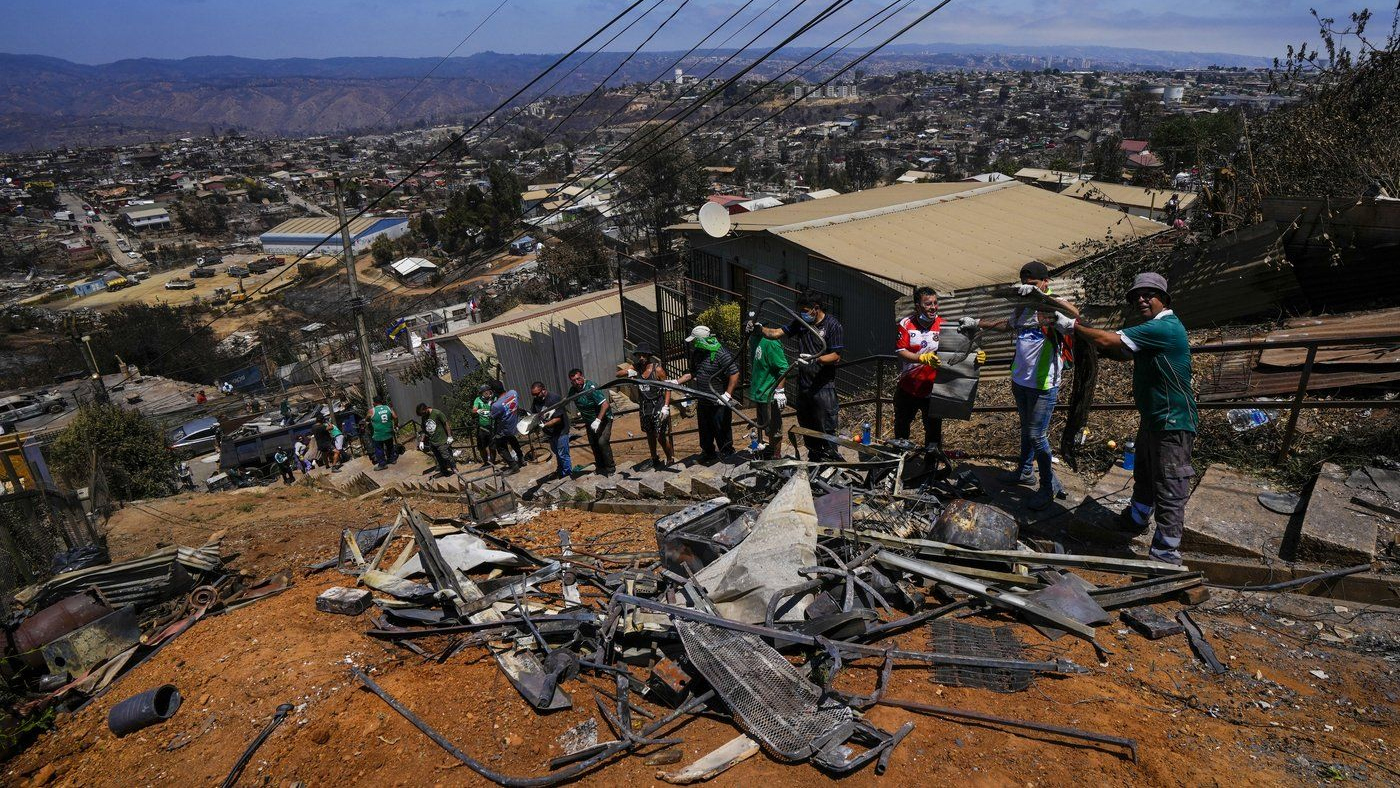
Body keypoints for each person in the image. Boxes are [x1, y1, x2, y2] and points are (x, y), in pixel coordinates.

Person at [1055, 272, 1197, 565]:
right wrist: (1099, 346)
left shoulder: (1166, 328)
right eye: (1136, 296)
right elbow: (1123, 351)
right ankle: (1135, 519)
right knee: (1144, 472)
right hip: (1154, 418)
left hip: (1173, 421)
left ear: (1164, 299)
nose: (1142, 300)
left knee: (1170, 484)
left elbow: (1109, 339)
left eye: (1148, 294)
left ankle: (1165, 554)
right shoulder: (1151, 329)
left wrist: (1074, 327)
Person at [963, 262, 1077, 509]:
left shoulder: (1051, 306)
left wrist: (1042, 298)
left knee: (1037, 435)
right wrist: (977, 322)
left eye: (1033, 284)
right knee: (1026, 429)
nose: (1027, 287)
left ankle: (1046, 487)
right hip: (1021, 380)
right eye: (1025, 283)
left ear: (1045, 282)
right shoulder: (1023, 307)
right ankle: (1025, 471)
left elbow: (1076, 314)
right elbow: (1007, 324)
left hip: (1043, 384)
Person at [754, 291, 845, 462]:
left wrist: (815, 359)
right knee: (807, 425)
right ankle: (814, 460)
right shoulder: (802, 323)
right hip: (804, 386)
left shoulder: (833, 325)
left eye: (805, 310)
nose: (802, 313)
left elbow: (836, 356)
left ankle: (831, 461)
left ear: (815, 309)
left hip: (823, 387)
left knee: (826, 427)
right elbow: (777, 333)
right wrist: (759, 329)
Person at [893, 286, 947, 453]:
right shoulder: (906, 324)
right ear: (917, 305)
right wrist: (921, 358)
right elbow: (901, 352)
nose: (933, 307)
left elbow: (958, 348)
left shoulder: (943, 325)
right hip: (908, 387)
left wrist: (975, 353)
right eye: (928, 304)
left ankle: (929, 471)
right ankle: (898, 466)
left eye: (935, 303)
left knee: (933, 434)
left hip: (933, 390)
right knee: (901, 428)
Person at [674, 326, 739, 463]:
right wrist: (676, 381)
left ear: (701, 340)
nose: (692, 344)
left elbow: (734, 373)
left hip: (719, 401)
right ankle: (708, 453)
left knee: (722, 429)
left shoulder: (721, 354)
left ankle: (727, 453)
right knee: (705, 430)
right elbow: (693, 373)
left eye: (694, 341)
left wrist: (727, 395)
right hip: (703, 400)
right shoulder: (697, 353)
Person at [627, 348, 674, 468]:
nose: (641, 358)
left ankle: (670, 458)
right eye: (639, 356)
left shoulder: (657, 369)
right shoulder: (637, 368)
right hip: (644, 407)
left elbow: (668, 387)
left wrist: (666, 406)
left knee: (660, 436)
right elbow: (618, 374)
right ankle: (654, 458)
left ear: (648, 355)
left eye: (644, 355)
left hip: (658, 405)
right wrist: (630, 372)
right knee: (649, 434)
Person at [749, 330, 790, 459]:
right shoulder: (754, 339)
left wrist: (779, 390)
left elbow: (783, 367)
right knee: (766, 427)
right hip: (760, 393)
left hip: (769, 394)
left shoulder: (771, 343)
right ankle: (771, 450)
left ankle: (776, 456)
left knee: (774, 429)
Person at [567, 368, 614, 475]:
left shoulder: (591, 388)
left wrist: (598, 420)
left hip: (603, 419)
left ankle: (610, 468)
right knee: (593, 443)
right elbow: (567, 400)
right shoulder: (573, 390)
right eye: (574, 381)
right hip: (589, 421)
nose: (577, 382)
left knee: (602, 442)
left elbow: (605, 404)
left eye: (578, 379)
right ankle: (600, 467)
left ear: (582, 377)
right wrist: (554, 410)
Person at [529, 381, 570, 479]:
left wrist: (544, 425)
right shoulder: (537, 400)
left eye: (537, 394)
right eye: (533, 394)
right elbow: (534, 414)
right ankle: (561, 470)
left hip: (561, 430)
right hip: (550, 432)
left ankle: (567, 475)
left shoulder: (554, 398)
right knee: (556, 452)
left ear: (543, 390)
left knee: (563, 454)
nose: (535, 396)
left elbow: (558, 419)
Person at [488, 381, 525, 472]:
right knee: (512, 440)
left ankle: (513, 467)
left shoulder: (496, 405)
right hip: (515, 425)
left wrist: (491, 403)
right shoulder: (513, 393)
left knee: (500, 447)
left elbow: (492, 416)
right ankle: (521, 459)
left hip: (504, 428)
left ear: (493, 392)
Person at [416, 402, 456, 478]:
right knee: (439, 458)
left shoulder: (437, 413)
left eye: (423, 413)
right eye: (421, 415)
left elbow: (446, 423)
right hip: (432, 441)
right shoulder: (424, 417)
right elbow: (424, 429)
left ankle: (454, 469)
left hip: (442, 440)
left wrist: (450, 436)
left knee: (446, 456)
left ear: (426, 409)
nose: (423, 415)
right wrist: (421, 441)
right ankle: (444, 471)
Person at [367, 395, 399, 470]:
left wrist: (370, 421)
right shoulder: (388, 408)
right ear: (381, 401)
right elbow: (395, 417)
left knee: (379, 449)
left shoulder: (372, 411)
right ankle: (392, 459)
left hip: (378, 434)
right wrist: (396, 425)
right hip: (388, 432)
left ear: (374, 403)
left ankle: (382, 464)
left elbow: (367, 419)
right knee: (390, 446)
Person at [471, 384, 497, 467]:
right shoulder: (478, 399)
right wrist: (478, 410)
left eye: (487, 390)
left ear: (490, 391)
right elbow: (474, 410)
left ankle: (492, 462)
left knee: (492, 446)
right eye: (484, 391)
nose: (486, 392)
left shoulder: (494, 398)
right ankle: (486, 462)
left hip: (492, 425)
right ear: (481, 393)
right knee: (481, 447)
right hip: (482, 427)